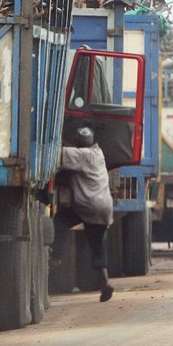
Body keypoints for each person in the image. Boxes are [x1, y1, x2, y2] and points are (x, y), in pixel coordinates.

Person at [58, 126, 115, 302]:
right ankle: (104, 281)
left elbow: (58, 154)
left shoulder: (81, 156)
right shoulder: (98, 154)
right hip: (104, 206)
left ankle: (55, 256)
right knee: (97, 244)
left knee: (59, 223)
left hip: (86, 206)